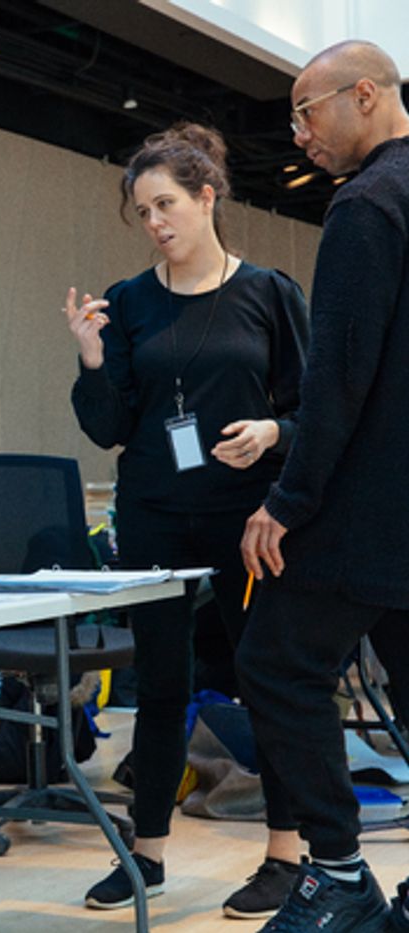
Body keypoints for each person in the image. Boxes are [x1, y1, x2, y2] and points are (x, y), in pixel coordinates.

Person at [65, 122, 311, 917]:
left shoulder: (271, 294)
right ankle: (148, 851)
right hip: (154, 517)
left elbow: (317, 413)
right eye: (143, 212)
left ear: (209, 197)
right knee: (161, 684)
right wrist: (93, 361)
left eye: (166, 203)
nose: (156, 223)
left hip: (250, 519)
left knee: (265, 681)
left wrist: (275, 432)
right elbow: (107, 427)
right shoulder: (131, 302)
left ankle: (286, 853)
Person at [238, 39, 409, 933]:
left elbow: (337, 378)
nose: (299, 133)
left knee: (274, 663)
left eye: (308, 111)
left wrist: (286, 502)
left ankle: (337, 874)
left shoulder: (369, 204)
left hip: (366, 512)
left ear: (367, 95)